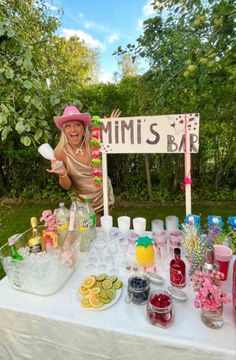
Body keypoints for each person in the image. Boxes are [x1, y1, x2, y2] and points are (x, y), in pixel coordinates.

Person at [47, 105, 121, 225]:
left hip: (104, 194)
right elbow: (66, 186)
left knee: (106, 231)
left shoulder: (95, 140)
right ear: (63, 130)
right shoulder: (59, 152)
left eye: (77, 124)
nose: (73, 130)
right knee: (91, 233)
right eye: (68, 126)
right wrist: (63, 174)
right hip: (84, 202)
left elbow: (113, 139)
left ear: (84, 127)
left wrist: (112, 127)